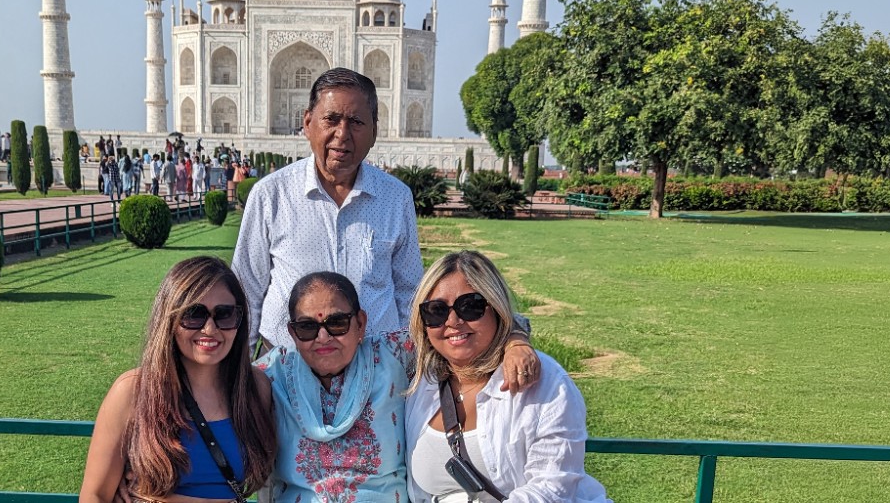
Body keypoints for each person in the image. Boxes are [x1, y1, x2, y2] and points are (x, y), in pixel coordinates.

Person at [258, 271, 540, 503]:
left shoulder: (392, 354)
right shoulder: (276, 372)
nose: (323, 337)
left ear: (360, 324)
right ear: (293, 333)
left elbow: (470, 328)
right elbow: (224, 373)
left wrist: (516, 342)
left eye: (337, 323)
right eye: (307, 328)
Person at [233, 67, 423, 352]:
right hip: (286, 370)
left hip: (374, 370)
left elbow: (410, 293)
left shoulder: (395, 198)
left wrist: (407, 365)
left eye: (356, 121)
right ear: (308, 123)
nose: (342, 134)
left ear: (374, 131)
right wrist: (241, 376)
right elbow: (246, 290)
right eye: (331, 119)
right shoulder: (272, 194)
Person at [405, 251, 611, 503]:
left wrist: (516, 339)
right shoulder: (418, 379)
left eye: (470, 307)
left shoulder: (544, 383)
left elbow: (552, 488)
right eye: (436, 311)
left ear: (496, 308)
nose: (453, 321)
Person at [80, 256, 276, 503]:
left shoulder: (256, 388)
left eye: (224, 314)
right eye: (194, 314)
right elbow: (94, 495)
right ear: (169, 319)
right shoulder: (132, 391)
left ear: (240, 320)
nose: (210, 329)